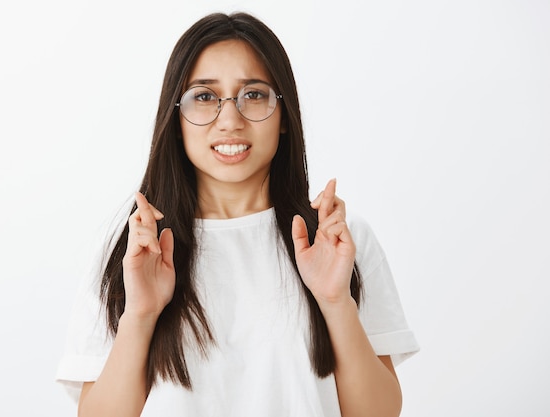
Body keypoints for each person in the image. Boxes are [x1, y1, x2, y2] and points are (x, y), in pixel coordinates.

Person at [56, 11, 419, 417]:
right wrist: (141, 314)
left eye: (254, 94)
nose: (230, 121)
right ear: (176, 118)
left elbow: (379, 412)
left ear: (284, 116)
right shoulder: (135, 249)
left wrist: (335, 301)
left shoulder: (336, 241)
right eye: (205, 96)